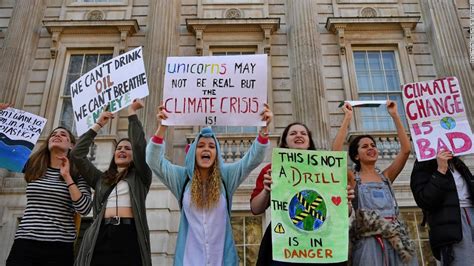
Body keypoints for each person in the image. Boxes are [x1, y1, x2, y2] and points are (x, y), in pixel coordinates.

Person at [146, 103, 273, 266]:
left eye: (212, 146)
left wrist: (263, 130)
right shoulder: (181, 178)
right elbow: (153, 161)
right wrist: (162, 128)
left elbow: (251, 160)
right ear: (193, 152)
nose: (207, 149)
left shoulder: (226, 176)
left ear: (217, 154)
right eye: (201, 146)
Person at [250, 122, 353, 266]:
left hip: (321, 246)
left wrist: (345, 201)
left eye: (303, 133)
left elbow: (345, 213)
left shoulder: (327, 171)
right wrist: (266, 190)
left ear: (309, 142)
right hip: (285, 244)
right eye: (293, 133)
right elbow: (256, 209)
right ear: (285, 143)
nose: (299, 135)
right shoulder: (272, 168)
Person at [333, 101, 417, 266]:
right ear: (356, 156)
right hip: (369, 241)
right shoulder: (353, 178)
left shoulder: (386, 177)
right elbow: (335, 154)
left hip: (396, 238)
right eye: (364, 146)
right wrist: (347, 118)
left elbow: (406, 149)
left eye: (373, 145)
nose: (371, 148)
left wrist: (394, 115)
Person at [71, 99, 152, 266]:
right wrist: (98, 125)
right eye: (119, 148)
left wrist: (132, 113)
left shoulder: (141, 177)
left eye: (127, 149)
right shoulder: (100, 179)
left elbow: (139, 146)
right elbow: (76, 155)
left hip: (129, 235)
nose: (122, 150)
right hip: (101, 234)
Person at [6, 127, 92, 266]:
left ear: (71, 145)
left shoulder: (77, 172)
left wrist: (67, 177)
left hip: (59, 246)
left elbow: (84, 209)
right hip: (25, 242)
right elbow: (5, 152)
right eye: (53, 134)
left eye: (63, 135)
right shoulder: (33, 165)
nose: (57, 136)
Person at [411, 151, 474, 266]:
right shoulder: (423, 165)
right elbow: (425, 200)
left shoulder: (457, 163)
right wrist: (440, 170)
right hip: (454, 226)